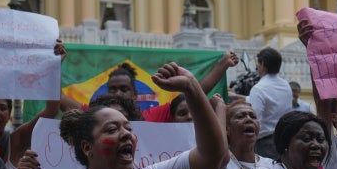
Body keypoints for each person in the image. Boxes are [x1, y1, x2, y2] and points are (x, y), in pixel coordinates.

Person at [9, 62, 225, 169]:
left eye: (129, 128)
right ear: (87, 147)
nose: (126, 134)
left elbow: (212, 155)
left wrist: (191, 87)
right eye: (112, 129)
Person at [102, 52, 238, 122]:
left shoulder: (154, 116)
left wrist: (222, 65)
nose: (118, 94)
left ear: (134, 94)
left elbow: (195, 94)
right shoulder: (95, 116)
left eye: (124, 89)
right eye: (112, 89)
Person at [205, 99, 262, 169]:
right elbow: (218, 148)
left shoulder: (271, 166)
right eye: (241, 116)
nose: (249, 119)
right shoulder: (218, 165)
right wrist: (220, 108)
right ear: (227, 129)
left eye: (253, 116)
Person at [247, 47, 292, 159]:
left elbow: (255, 120)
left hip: (264, 143)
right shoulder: (286, 85)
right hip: (283, 139)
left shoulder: (258, 89)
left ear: (262, 65)